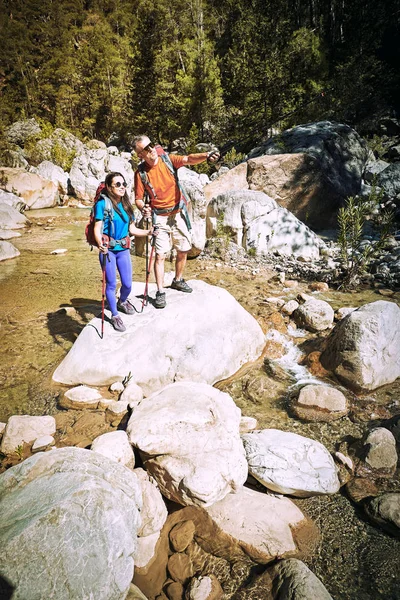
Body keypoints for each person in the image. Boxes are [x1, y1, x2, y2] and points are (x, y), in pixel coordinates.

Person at [132, 135, 219, 308]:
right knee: (160, 255)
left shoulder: (168, 160)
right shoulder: (141, 173)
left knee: (183, 249)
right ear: (140, 155)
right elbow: (138, 198)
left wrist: (206, 155)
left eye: (151, 146)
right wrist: (143, 208)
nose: (152, 150)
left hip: (179, 213)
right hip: (161, 217)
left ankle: (178, 280)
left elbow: (188, 159)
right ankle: (160, 291)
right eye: (146, 149)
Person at [94, 171, 152, 332]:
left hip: (123, 250)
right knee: (111, 284)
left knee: (127, 284)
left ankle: (122, 301)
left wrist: (148, 232)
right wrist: (100, 243)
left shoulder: (126, 205)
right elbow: (97, 228)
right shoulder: (102, 204)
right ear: (109, 187)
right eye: (117, 184)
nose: (122, 187)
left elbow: (131, 229)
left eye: (124, 184)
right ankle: (114, 315)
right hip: (108, 251)